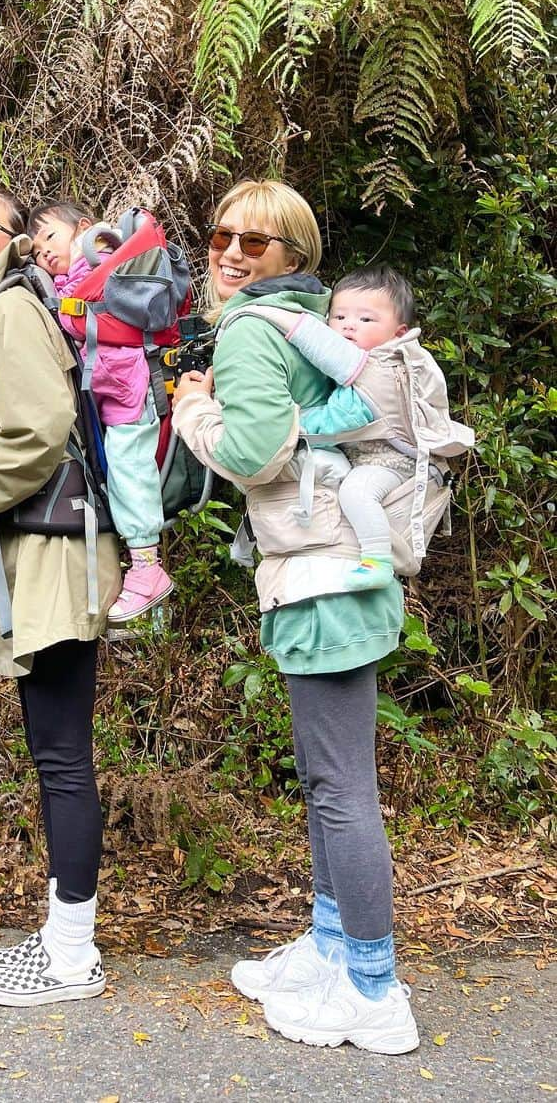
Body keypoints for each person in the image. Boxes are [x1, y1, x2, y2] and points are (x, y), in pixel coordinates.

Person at [172, 180, 420, 1056]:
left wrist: (192, 408)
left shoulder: (248, 326)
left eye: (259, 241)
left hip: (319, 579)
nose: (233, 252)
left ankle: (374, 987)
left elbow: (253, 452)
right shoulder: (317, 319)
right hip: (339, 569)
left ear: (294, 256)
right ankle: (330, 947)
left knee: (341, 788)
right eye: (222, 235)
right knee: (330, 782)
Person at [0, 186, 121, 1007]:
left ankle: (73, 955)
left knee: (60, 755)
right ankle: (61, 935)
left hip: (55, 556)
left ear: (14, 243)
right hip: (46, 553)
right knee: (59, 752)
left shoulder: (8, 307)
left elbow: (40, 426)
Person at [277, 264, 470, 590]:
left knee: (356, 490)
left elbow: (329, 427)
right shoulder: (378, 363)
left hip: (395, 462)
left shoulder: (377, 373)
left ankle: (377, 562)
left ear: (398, 332)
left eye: (365, 319)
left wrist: (288, 421)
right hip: (381, 459)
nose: (349, 327)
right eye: (339, 318)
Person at [28, 201, 172, 622]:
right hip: (112, 396)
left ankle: (148, 570)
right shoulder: (70, 281)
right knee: (121, 475)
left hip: (134, 391)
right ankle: (146, 587)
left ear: (86, 229)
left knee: (130, 472)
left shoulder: (106, 264)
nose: (45, 254)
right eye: (37, 251)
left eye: (50, 238)